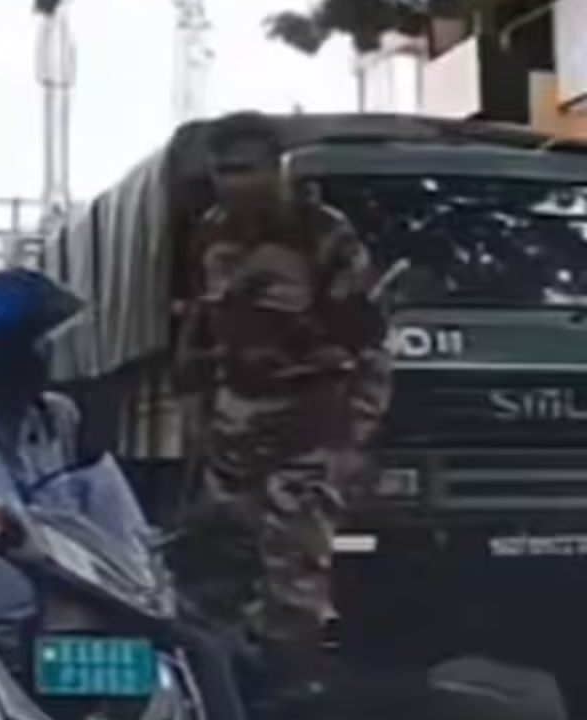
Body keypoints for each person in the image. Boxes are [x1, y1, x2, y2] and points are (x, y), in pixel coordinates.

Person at [0, 268, 245, 720]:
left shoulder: (60, 418)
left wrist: (165, 541)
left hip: (90, 611)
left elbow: (110, 509)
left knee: (204, 653)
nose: (47, 357)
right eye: (36, 346)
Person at [174, 111, 392, 703]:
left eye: (245, 170)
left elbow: (369, 347)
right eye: (222, 171)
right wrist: (195, 414)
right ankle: (225, 698)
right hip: (231, 436)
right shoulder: (211, 236)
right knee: (216, 581)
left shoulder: (324, 235)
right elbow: (199, 334)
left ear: (277, 169)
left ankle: (292, 696)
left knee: (293, 591)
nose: (231, 183)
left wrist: (353, 443)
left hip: (308, 434)